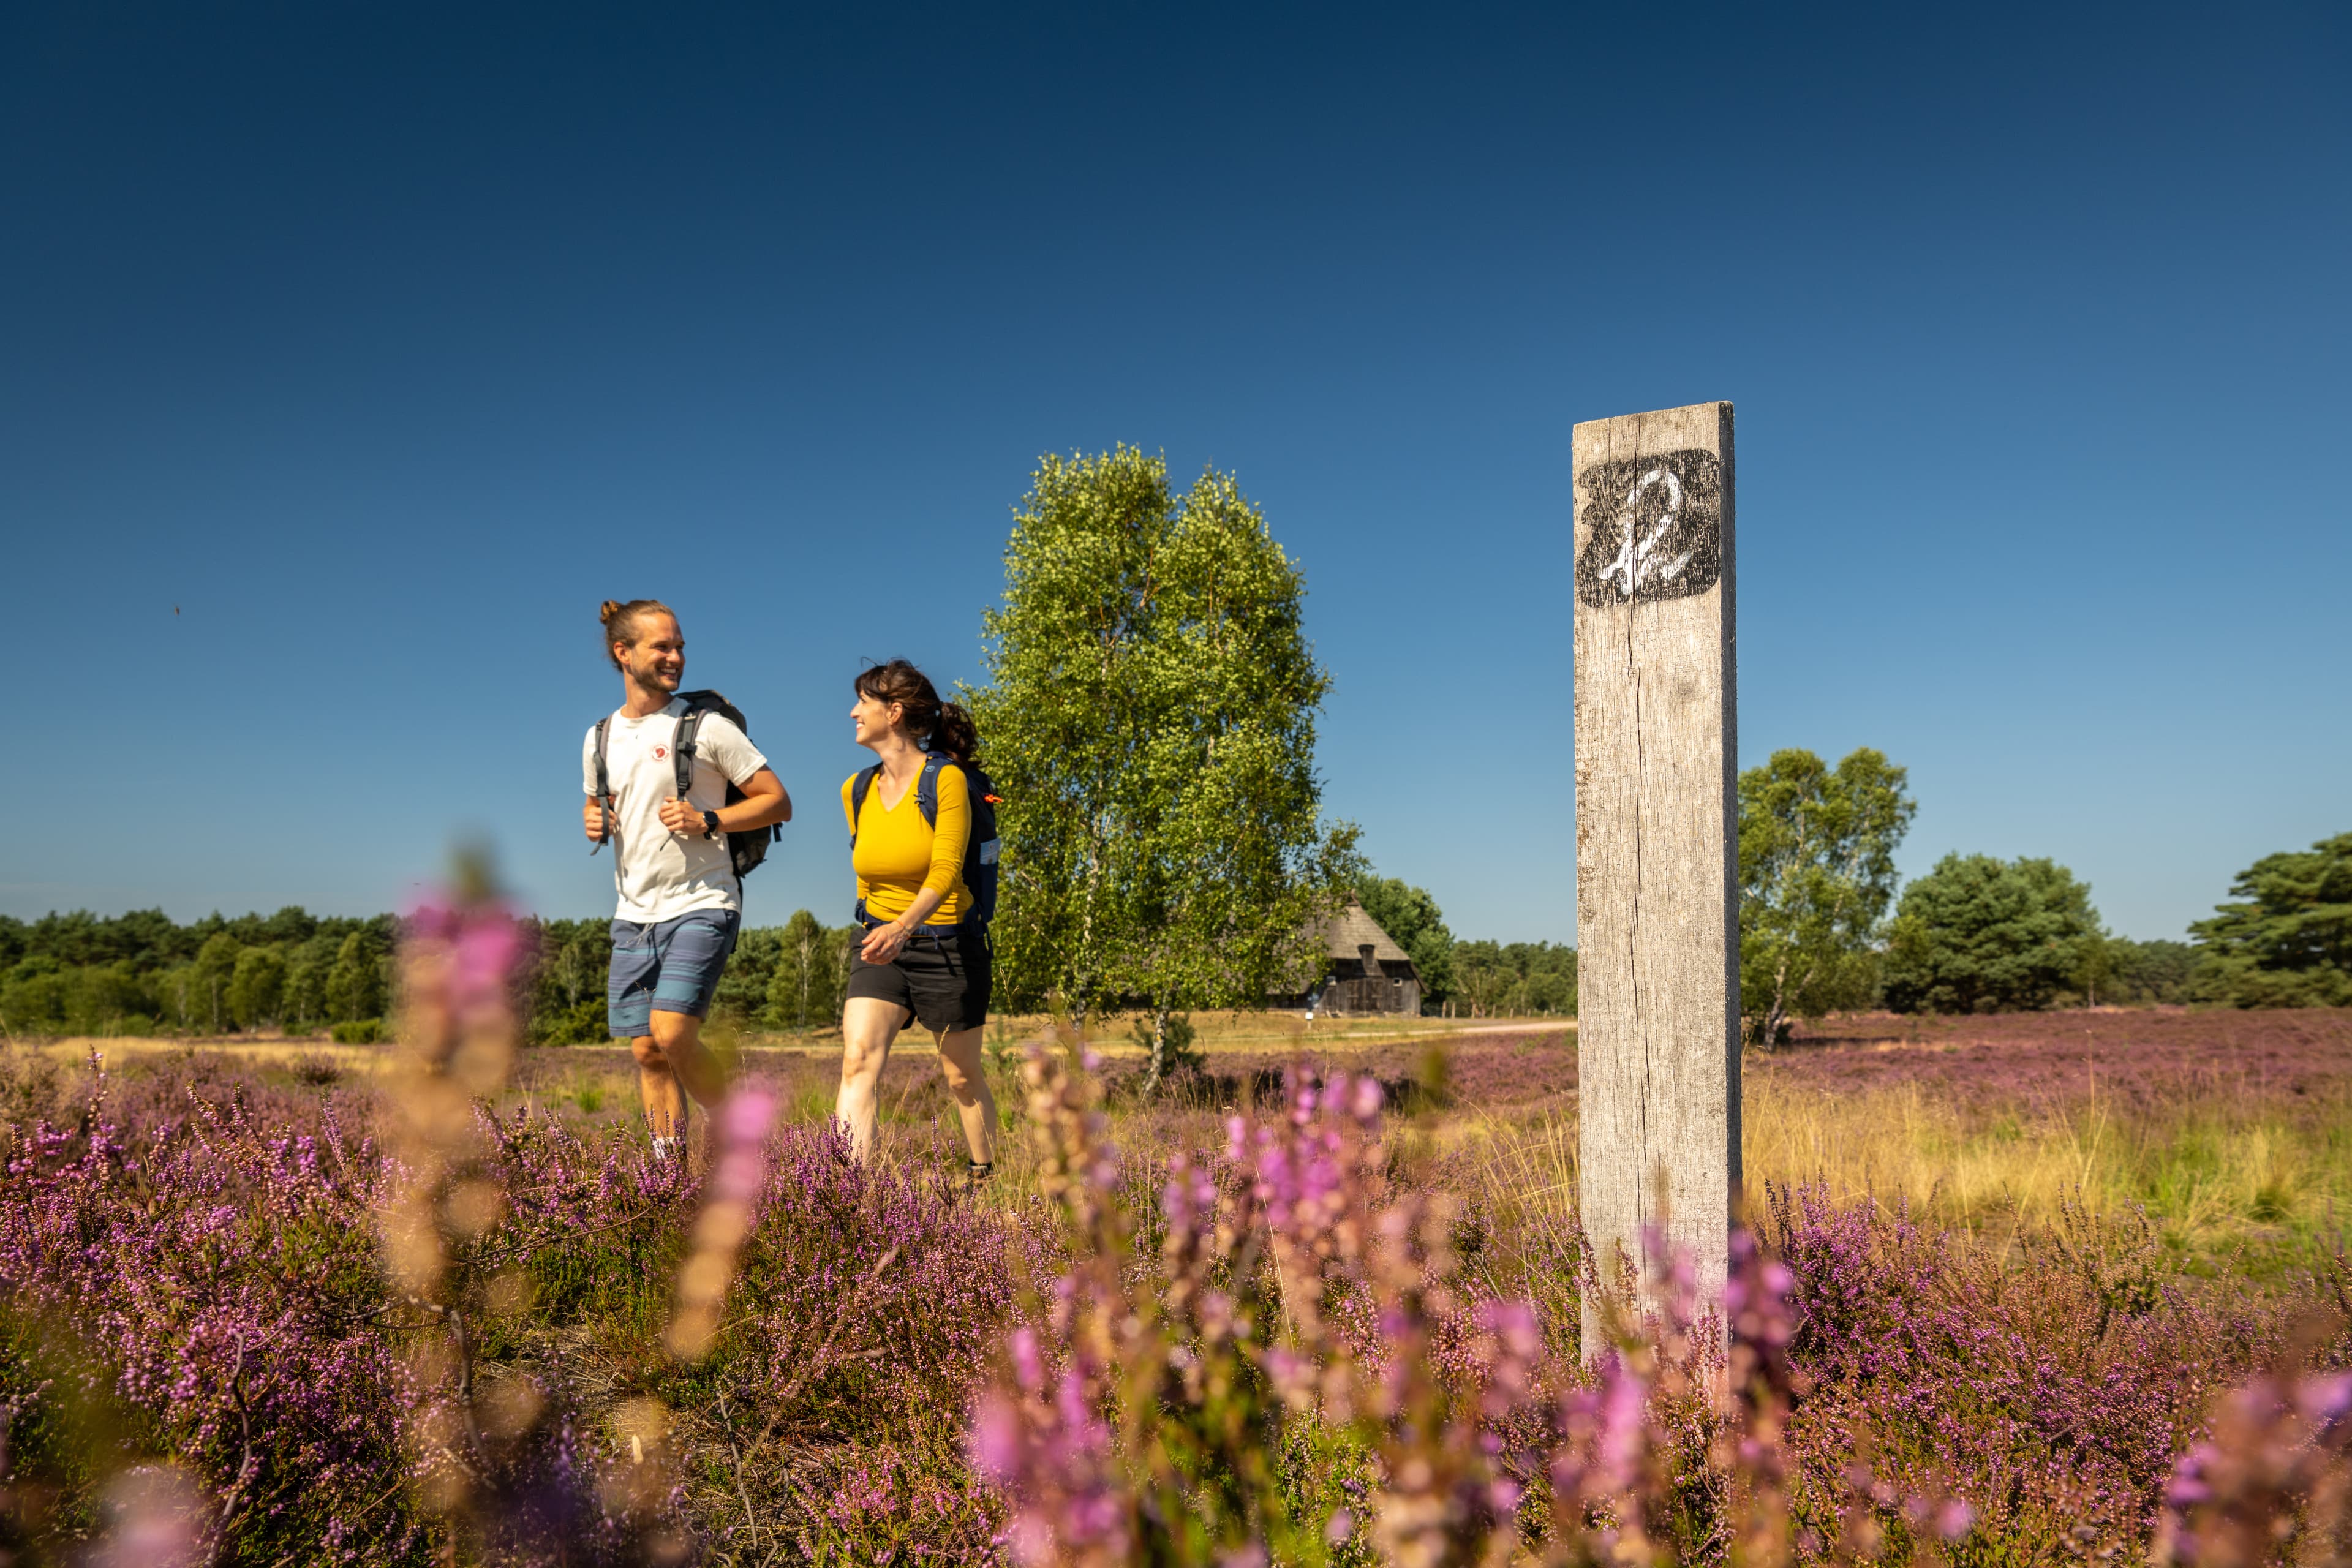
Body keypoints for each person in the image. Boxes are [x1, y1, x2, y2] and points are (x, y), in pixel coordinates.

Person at [582, 598, 791, 1160]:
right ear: (623, 653)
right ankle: (667, 1179)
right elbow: (596, 803)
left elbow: (778, 801)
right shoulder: (598, 737)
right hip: (633, 912)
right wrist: (594, 819)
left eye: (679, 647)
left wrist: (710, 820)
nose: (675, 657)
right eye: (662, 647)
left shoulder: (707, 728)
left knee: (673, 1033)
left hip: (704, 900)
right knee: (648, 1051)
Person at [833, 660, 996, 1186]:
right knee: (857, 1061)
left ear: (895, 712)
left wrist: (903, 927)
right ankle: (846, 1197)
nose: (853, 712)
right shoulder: (855, 790)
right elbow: (864, 873)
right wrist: (877, 927)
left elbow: (946, 871)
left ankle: (983, 1176)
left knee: (961, 1077)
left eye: (864, 702)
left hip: (947, 942)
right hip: (879, 942)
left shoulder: (946, 780)